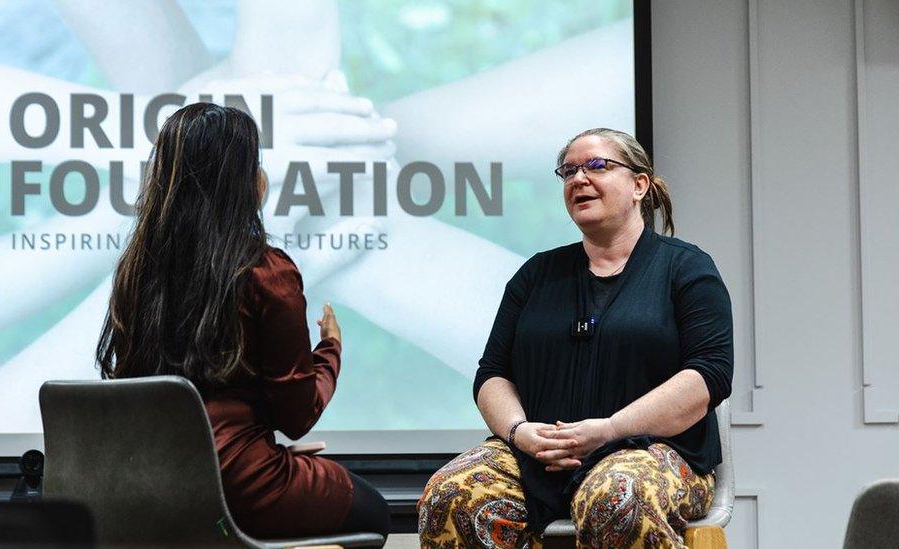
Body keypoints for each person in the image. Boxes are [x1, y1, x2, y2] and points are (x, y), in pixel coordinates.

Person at [418, 128, 733, 548]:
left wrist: (608, 429)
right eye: (568, 171)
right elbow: (493, 374)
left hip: (654, 453)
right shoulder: (536, 275)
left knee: (617, 497)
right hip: (537, 458)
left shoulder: (686, 269)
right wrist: (518, 432)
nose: (578, 179)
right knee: (453, 493)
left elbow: (707, 376)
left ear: (639, 184)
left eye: (597, 165)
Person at [96, 103, 390, 539]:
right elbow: (298, 413)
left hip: (153, 478)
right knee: (376, 514)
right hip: (240, 486)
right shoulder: (265, 273)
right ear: (241, 183)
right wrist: (330, 348)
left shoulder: (138, 269)